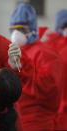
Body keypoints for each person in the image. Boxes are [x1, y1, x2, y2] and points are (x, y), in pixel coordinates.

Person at [9, 3, 63, 131]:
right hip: (17, 119)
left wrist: (22, 70)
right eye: (14, 29)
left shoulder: (45, 54)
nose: (17, 34)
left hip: (38, 122)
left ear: (32, 28)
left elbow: (49, 89)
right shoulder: (15, 52)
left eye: (22, 29)